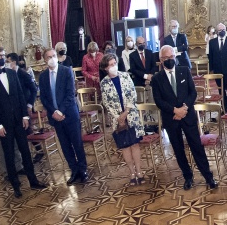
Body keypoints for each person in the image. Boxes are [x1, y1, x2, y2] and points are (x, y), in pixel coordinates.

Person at [0, 46, 46, 198]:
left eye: (3, 55)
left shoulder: (12, 73)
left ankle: (33, 180)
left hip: (19, 120)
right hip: (3, 124)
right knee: (9, 154)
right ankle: (15, 185)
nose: (1, 58)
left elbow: (20, 95)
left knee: (25, 151)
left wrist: (25, 116)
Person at [151, 46, 217, 190]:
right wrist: (175, 110)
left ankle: (208, 176)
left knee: (196, 146)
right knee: (178, 149)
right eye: (166, 58)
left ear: (175, 57)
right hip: (171, 118)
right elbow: (158, 100)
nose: (170, 60)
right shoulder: (156, 78)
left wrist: (184, 109)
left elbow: (192, 93)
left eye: (171, 57)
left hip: (188, 116)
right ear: (161, 60)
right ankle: (188, 177)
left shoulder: (184, 71)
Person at [39, 47, 89, 185]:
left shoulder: (66, 71)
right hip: (55, 117)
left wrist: (61, 111)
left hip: (69, 114)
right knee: (65, 145)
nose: (52, 59)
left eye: (53, 56)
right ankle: (74, 170)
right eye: (49, 57)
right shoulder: (43, 76)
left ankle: (83, 169)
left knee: (77, 143)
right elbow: (44, 98)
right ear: (45, 60)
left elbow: (70, 93)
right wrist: (54, 112)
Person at [98, 54, 146, 185]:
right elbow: (106, 102)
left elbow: (132, 94)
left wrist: (126, 112)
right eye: (111, 65)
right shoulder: (104, 83)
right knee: (125, 146)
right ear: (106, 68)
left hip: (131, 115)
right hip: (117, 120)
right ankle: (132, 172)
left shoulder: (125, 76)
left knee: (134, 144)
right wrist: (118, 117)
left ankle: (139, 171)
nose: (114, 66)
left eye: (115, 63)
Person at [208, 22, 227, 112]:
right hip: (217, 70)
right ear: (217, 31)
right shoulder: (212, 42)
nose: (222, 31)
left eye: (223, 30)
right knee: (221, 90)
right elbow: (211, 57)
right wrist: (211, 69)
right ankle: (223, 108)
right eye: (220, 30)